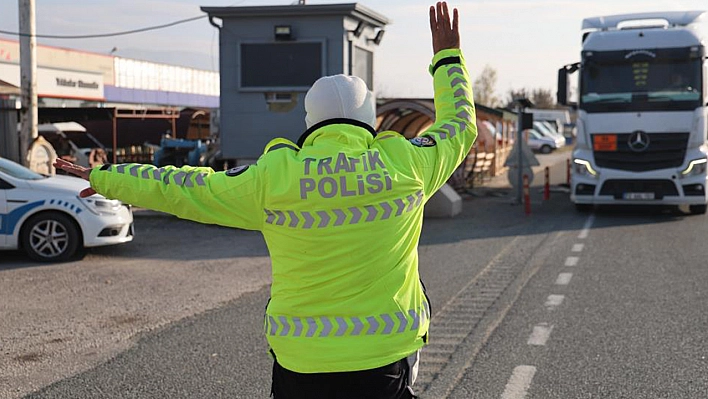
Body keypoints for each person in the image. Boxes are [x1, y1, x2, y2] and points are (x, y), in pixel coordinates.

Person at [54, 2, 476, 397]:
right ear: (370, 120)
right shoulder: (406, 165)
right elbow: (460, 125)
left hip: (300, 363)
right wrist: (447, 58)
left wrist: (109, 177)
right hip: (384, 360)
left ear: (310, 121)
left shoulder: (274, 178)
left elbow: (185, 187)